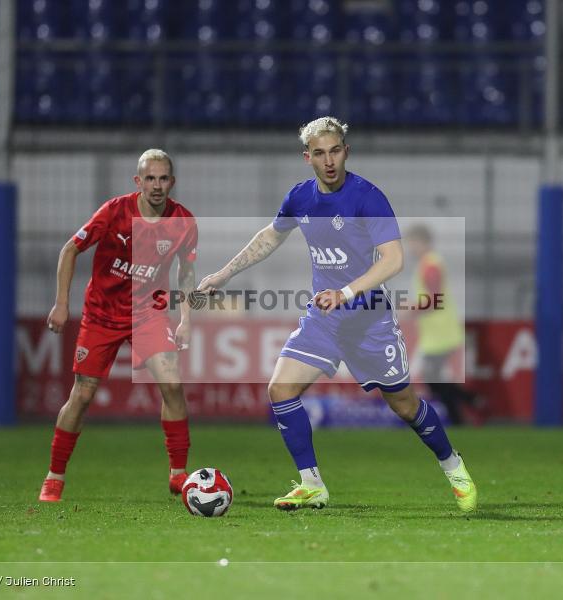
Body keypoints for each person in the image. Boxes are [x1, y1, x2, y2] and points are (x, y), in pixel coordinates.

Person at [198, 117, 477, 512]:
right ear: (307, 157)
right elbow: (269, 237)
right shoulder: (300, 198)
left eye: (335, 151)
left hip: (369, 320)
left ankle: (453, 465)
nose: (328, 160)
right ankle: (312, 484)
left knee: (405, 406)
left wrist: (346, 292)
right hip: (324, 319)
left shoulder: (368, 197)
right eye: (319, 153)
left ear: (346, 151)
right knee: (280, 389)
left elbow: (393, 260)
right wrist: (224, 274)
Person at [39, 149, 197, 502]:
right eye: (150, 179)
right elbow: (69, 250)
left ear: (172, 182)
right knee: (83, 394)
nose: (157, 186)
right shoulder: (114, 212)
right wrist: (62, 303)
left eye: (163, 178)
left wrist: (186, 318)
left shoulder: (183, 221)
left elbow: (186, 274)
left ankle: (178, 474)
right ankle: (55, 476)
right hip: (102, 314)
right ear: (137, 181)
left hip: (149, 314)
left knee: (172, 385)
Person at [405, 224, 483, 426]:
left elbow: (434, 299)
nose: (410, 248)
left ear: (423, 242)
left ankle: (465, 409)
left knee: (433, 379)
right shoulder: (428, 264)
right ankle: (467, 406)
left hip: (441, 332)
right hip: (436, 332)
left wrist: (409, 310)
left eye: (412, 243)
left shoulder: (431, 266)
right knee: (434, 379)